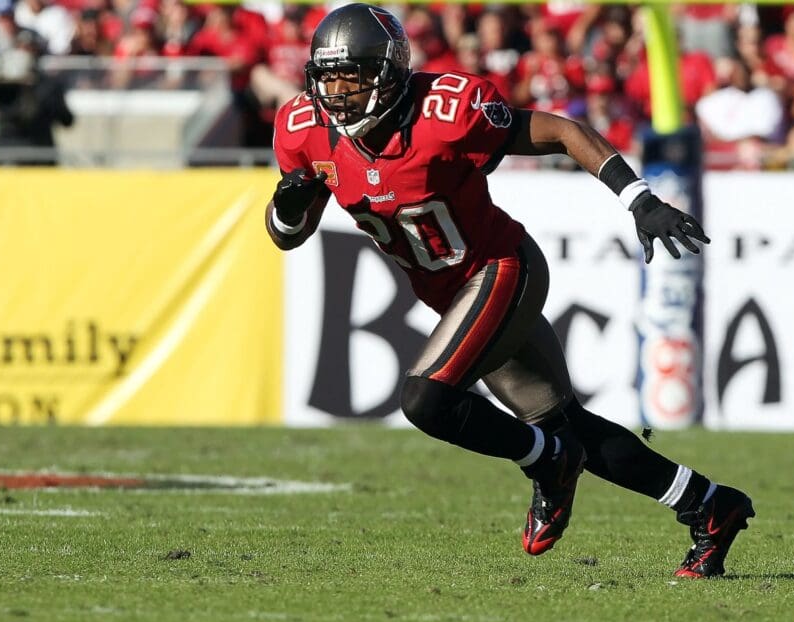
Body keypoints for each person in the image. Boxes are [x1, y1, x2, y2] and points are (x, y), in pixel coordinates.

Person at [266, 3, 754, 578]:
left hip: (503, 268)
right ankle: (709, 504)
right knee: (567, 425)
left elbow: (563, 131)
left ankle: (547, 463)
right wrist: (287, 207)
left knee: (427, 400)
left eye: (354, 75)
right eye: (329, 77)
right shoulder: (303, 131)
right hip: (454, 295)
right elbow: (287, 236)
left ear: (391, 72)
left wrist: (639, 199)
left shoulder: (445, 112)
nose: (340, 92)